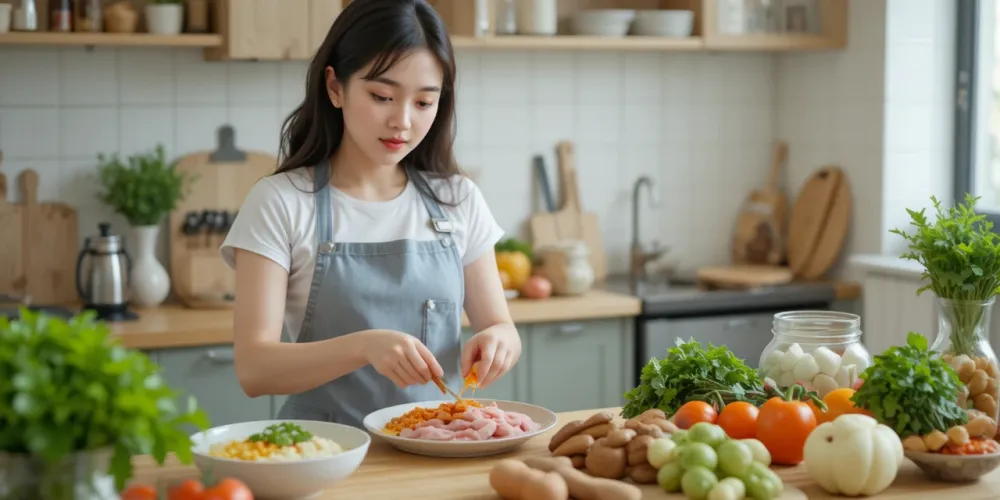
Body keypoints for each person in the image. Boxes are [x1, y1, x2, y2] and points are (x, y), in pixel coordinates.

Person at [219, 0, 520, 428]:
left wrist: (499, 341)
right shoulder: (280, 202)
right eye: (382, 97)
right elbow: (254, 369)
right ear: (335, 87)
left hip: (437, 445)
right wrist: (363, 347)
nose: (402, 121)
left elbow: (501, 326)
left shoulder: (458, 198)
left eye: (424, 102)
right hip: (324, 448)